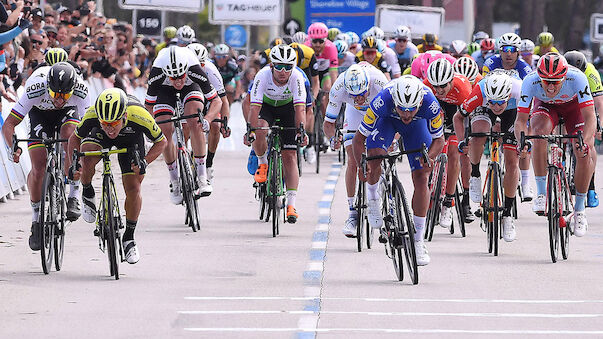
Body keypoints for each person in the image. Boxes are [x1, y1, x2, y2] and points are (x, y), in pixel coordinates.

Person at [352, 75, 445, 266]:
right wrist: (362, 164)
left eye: (411, 109)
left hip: (417, 128)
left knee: (422, 177)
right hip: (387, 122)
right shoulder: (382, 101)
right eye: (402, 108)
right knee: (375, 156)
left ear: (420, 102)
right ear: (395, 100)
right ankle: (373, 199)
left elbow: (439, 140)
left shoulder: (431, 103)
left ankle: (418, 240)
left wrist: (431, 157)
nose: (406, 114)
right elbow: (358, 139)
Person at [66, 88, 167, 264]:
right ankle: (88, 191)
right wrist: (75, 164)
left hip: (130, 139)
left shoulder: (138, 114)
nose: (109, 128)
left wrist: (145, 161)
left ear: (124, 117)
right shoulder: (93, 115)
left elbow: (162, 141)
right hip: (98, 138)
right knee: (87, 158)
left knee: (134, 186)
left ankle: (129, 237)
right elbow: (74, 139)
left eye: (114, 124)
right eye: (105, 123)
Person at [2, 62, 91, 250]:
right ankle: (36, 220)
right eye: (55, 94)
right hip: (39, 113)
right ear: (48, 87)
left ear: (72, 89)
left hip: (69, 114)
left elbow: (86, 131)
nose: (59, 100)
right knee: (38, 168)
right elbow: (8, 124)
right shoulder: (35, 88)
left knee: (70, 136)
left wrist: (80, 162)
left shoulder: (82, 90)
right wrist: (13, 149)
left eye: (64, 95)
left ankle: (73, 194)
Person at [515, 53, 596, 237]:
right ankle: (542, 193)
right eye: (546, 81)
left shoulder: (577, 78)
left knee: (583, 150)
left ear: (565, 76)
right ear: (539, 77)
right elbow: (520, 120)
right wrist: (522, 140)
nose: (551, 87)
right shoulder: (530, 81)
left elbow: (590, 117)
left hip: (573, 109)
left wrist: (586, 140)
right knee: (538, 134)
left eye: (556, 82)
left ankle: (580, 209)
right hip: (545, 107)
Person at [145, 45, 222, 203]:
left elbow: (217, 100)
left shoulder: (194, 69)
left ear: (186, 70)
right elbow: (149, 107)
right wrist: (153, 129)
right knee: (164, 131)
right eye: (174, 78)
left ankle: (202, 177)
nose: (178, 81)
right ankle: (174, 181)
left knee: (195, 121)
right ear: (167, 74)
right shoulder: (156, 73)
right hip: (164, 91)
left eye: (181, 76)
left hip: (191, 86)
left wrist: (207, 119)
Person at [322, 63, 388, 237]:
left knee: (380, 155)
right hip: (355, 115)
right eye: (354, 96)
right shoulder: (339, 86)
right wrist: (332, 139)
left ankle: (388, 203)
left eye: (362, 94)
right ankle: (352, 212)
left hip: (378, 113)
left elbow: (393, 115)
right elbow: (329, 123)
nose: (359, 99)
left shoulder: (379, 81)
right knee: (353, 160)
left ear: (369, 85)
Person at [455, 71, 522, 241]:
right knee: (479, 133)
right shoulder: (480, 91)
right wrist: (462, 141)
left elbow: (526, 119)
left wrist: (524, 141)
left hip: (513, 112)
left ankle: (507, 214)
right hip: (483, 109)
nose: (497, 107)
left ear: (508, 95)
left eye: (500, 103)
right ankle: (475, 174)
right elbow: (458, 117)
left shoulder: (519, 90)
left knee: (512, 161)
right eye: (493, 103)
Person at [249, 44, 308, 223]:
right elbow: (254, 107)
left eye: (288, 67)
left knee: (290, 155)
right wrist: (251, 131)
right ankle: (263, 163)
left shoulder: (297, 78)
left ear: (293, 67)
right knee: (260, 129)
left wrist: (301, 132)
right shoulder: (262, 76)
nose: (283, 71)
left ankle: (291, 204)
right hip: (266, 107)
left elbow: (300, 110)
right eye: (279, 66)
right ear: (272, 65)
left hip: (288, 109)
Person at [423, 58, 475, 226]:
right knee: (430, 146)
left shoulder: (464, 88)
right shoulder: (427, 85)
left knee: (455, 153)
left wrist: (466, 140)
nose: (438, 90)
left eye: (442, 86)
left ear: (451, 81)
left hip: (457, 114)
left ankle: (448, 203)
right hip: (437, 111)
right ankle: (429, 185)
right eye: (435, 86)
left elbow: (468, 119)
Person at [188, 43, 231, 182]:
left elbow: (223, 100)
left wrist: (225, 123)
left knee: (215, 127)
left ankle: (209, 163)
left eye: (200, 64)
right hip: (189, 97)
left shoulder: (211, 70)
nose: (197, 68)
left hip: (208, 98)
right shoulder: (181, 68)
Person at [564, 50, 603, 208]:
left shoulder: (591, 73)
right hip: (565, 104)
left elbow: (599, 104)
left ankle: (591, 188)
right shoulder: (561, 72)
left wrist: (600, 126)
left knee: (589, 145)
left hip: (584, 106)